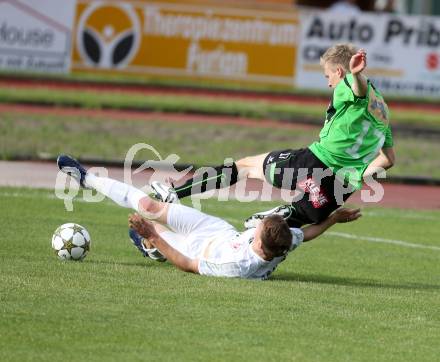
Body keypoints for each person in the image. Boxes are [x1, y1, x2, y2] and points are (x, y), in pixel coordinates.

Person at [151, 44, 395, 229]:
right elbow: (388, 159)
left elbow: (357, 90)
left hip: (314, 163)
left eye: (327, 76)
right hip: (341, 186)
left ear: (339, 71)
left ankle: (175, 193)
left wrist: (356, 74)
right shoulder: (383, 110)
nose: (329, 83)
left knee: (245, 165)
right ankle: (265, 226)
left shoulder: (348, 83)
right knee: (287, 225)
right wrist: (358, 175)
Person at [57, 155, 361, 280]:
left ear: (258, 241)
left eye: (259, 226)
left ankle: (150, 249)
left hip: (193, 250)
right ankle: (87, 179)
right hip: (215, 230)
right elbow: (305, 234)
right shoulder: (283, 239)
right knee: (149, 207)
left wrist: (152, 235)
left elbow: (188, 265)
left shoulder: (237, 266)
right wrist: (332, 218)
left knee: (148, 230)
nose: (257, 223)